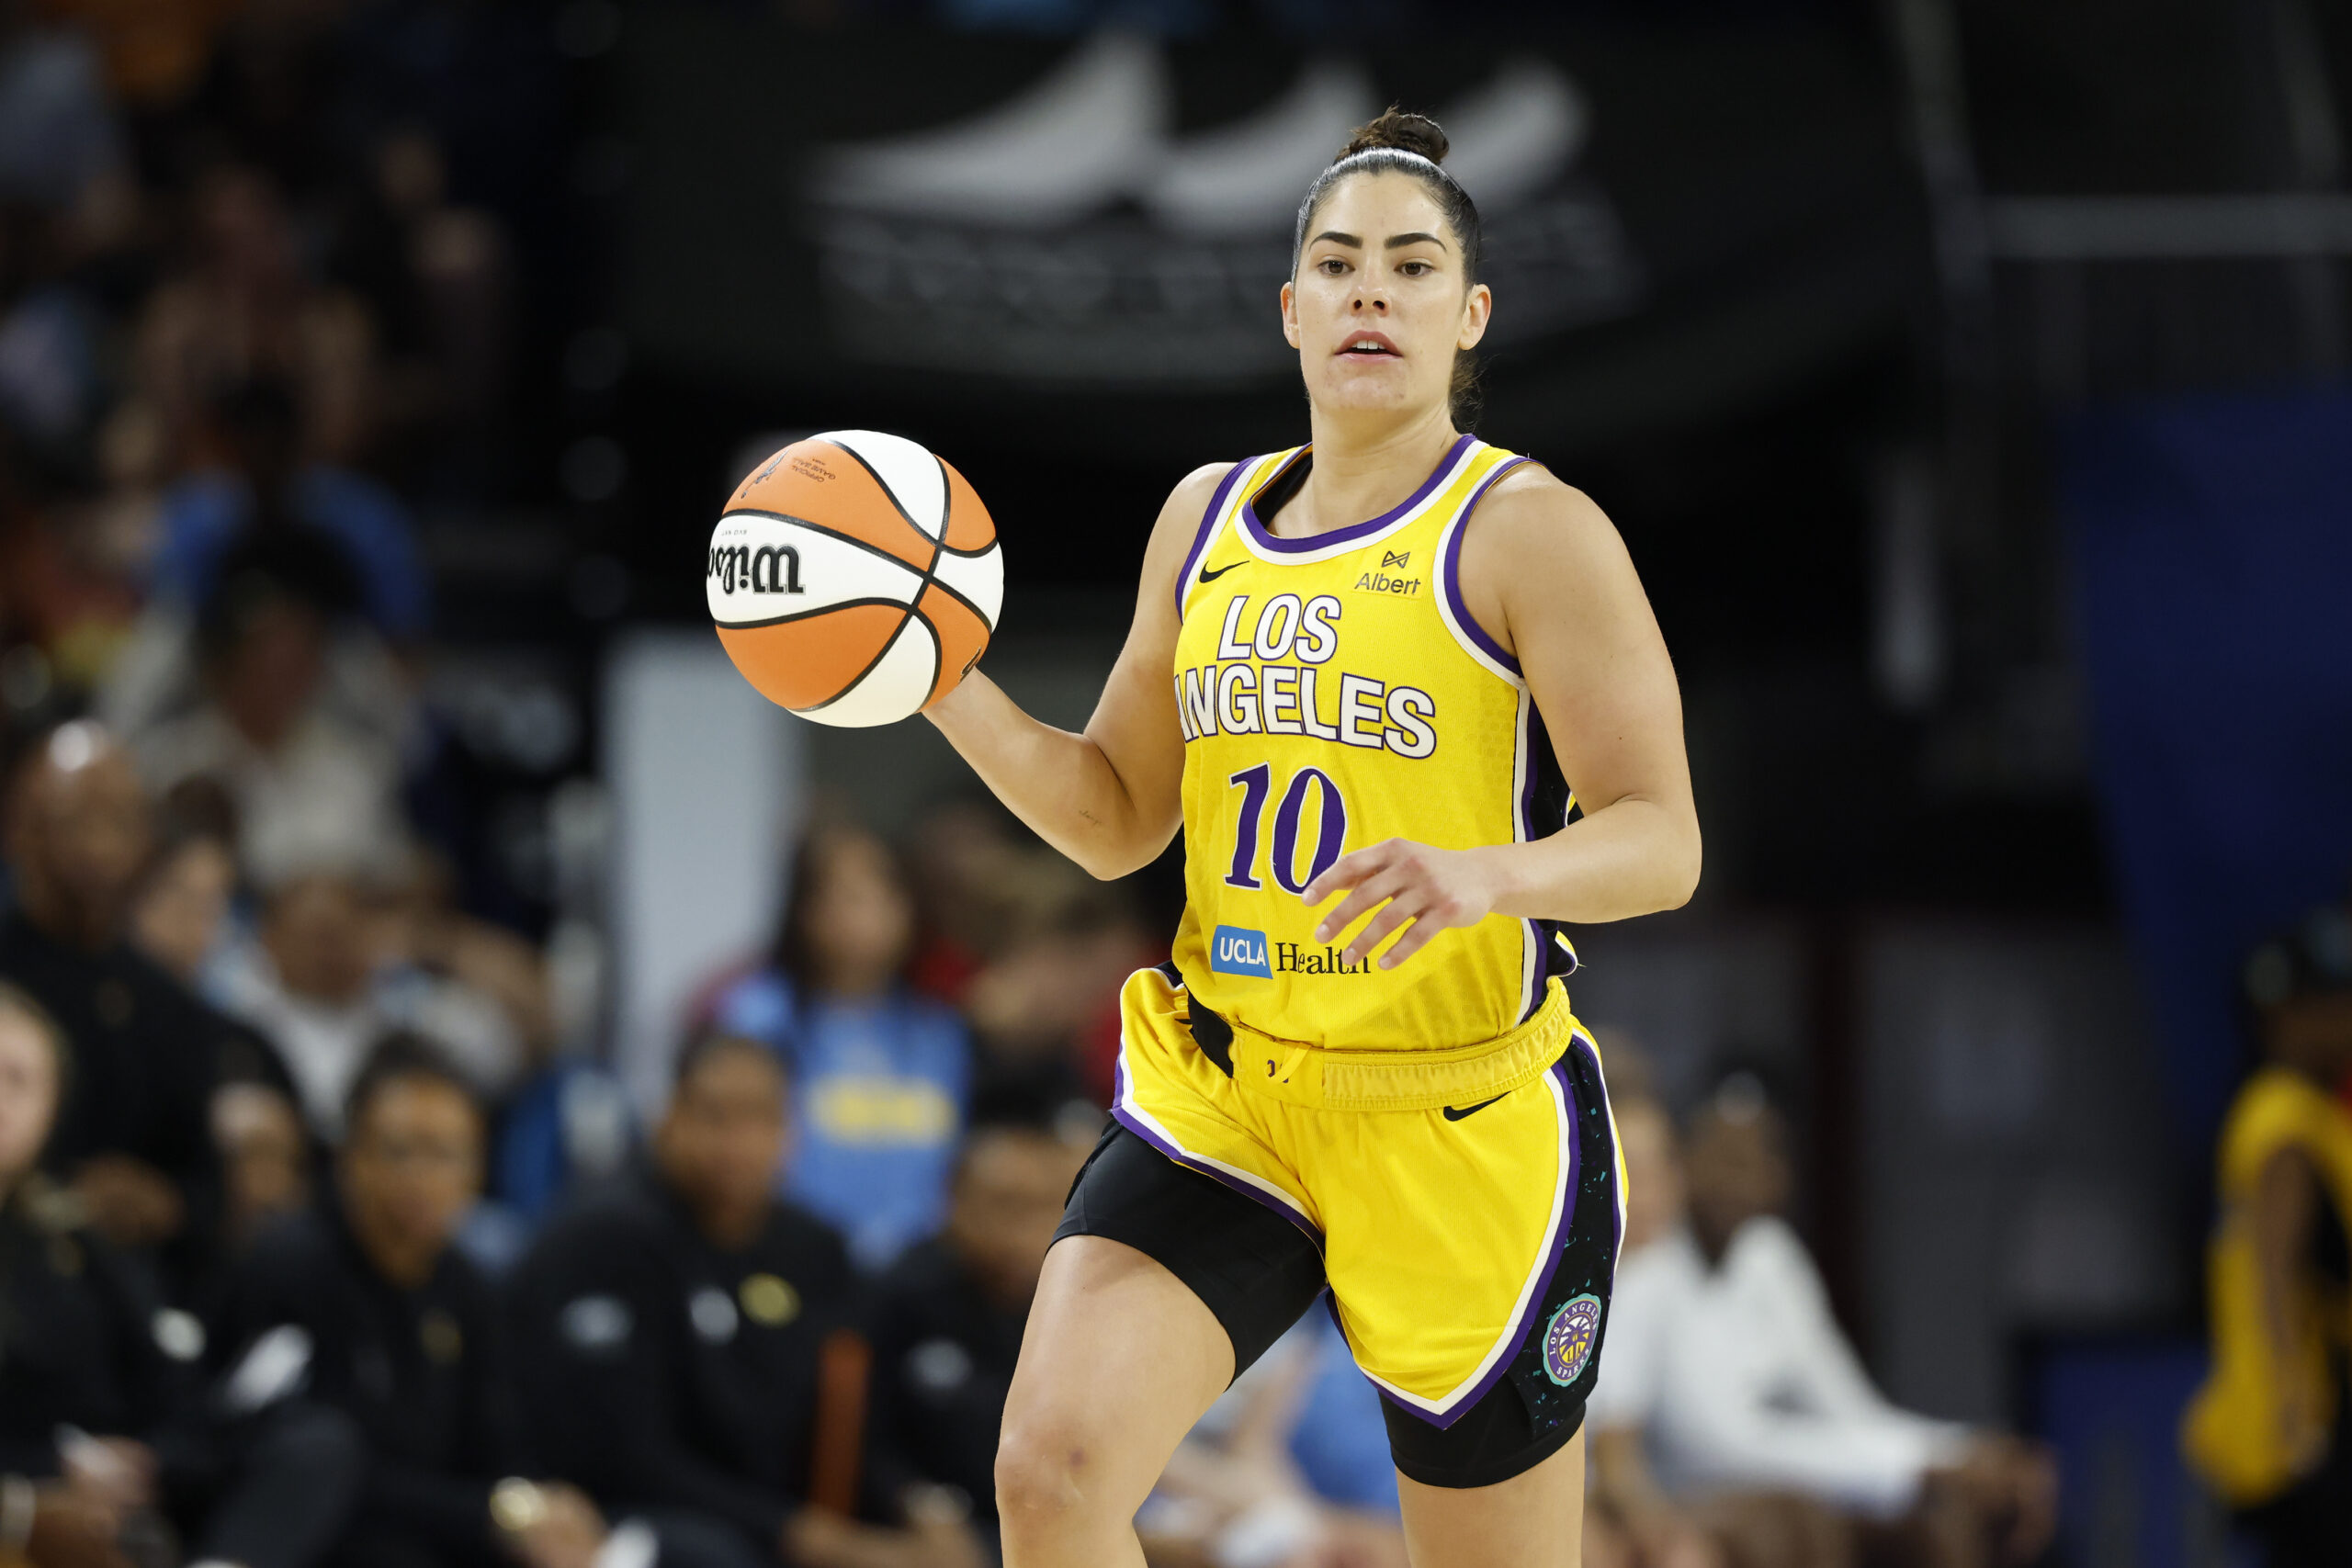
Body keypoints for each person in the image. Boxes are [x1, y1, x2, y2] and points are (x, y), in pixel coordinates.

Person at [922, 108, 1701, 1566]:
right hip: (1239, 1090)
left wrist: (1493, 872)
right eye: (1338, 265)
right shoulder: (1204, 517)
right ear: (1291, 309)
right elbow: (1114, 815)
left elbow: (1663, 839)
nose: (1369, 294)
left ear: (1470, 314)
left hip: (1457, 1113)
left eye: (1411, 266)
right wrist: (934, 676)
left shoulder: (1532, 529)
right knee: (1052, 1471)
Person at [509, 1033, 980, 1568]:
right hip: (621, 1521)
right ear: (668, 1118)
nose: (740, 1141)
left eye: (762, 1117)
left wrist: (919, 1506)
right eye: (716, 1116)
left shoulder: (816, 1250)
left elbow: (854, 1425)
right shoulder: (598, 1242)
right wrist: (809, 1538)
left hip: (786, 1521)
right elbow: (621, 1457)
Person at [1595, 1077, 2053, 1568]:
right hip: (1695, 1502)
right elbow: (1722, 1446)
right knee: (1788, 1530)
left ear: (1781, 1177)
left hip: (1781, 1488)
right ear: (1689, 1165)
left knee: (1945, 1520)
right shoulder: (1648, 1275)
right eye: (1723, 1159)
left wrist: (1959, 1452)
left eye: (1756, 1159)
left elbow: (1848, 1409)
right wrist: (1922, 1468)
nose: (1737, 1181)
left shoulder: (1771, 1258)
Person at [208, 1034, 612, 1568]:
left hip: (436, 1538)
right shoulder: (290, 1268)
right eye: (400, 1151)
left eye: (446, 1155)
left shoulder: (468, 1289)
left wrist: (536, 1505)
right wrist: (492, 1515)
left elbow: (499, 1446)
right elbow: (301, 1470)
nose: (423, 1178)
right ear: (350, 1156)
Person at [0, 720, 229, 1273]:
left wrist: (161, 1203)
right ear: (20, 829)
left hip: (125, 1279)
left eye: (121, 821)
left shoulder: (167, 1003)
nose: (100, 846)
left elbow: (207, 1187)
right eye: (76, 819)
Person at [704, 824, 972, 1272]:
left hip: (915, 1273)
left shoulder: (940, 1032)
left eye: (887, 894)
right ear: (805, 909)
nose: (871, 915)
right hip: (789, 1262)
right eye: (850, 896)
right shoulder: (757, 1018)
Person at [2183, 911, 2352, 1565]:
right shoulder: (2282, 1118)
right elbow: (2274, 1277)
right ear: (2285, 1017)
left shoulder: (2306, 1109)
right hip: (2304, 1419)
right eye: (2332, 1002)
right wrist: (2295, 1413)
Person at [863, 1105, 1091, 1540]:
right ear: (954, 1202)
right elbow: (862, 1442)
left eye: (1045, 1206)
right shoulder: (899, 1297)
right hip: (918, 1530)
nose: (1026, 1228)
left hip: (1033, 1525)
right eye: (1007, 1205)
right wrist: (915, 1505)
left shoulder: (1071, 1303)